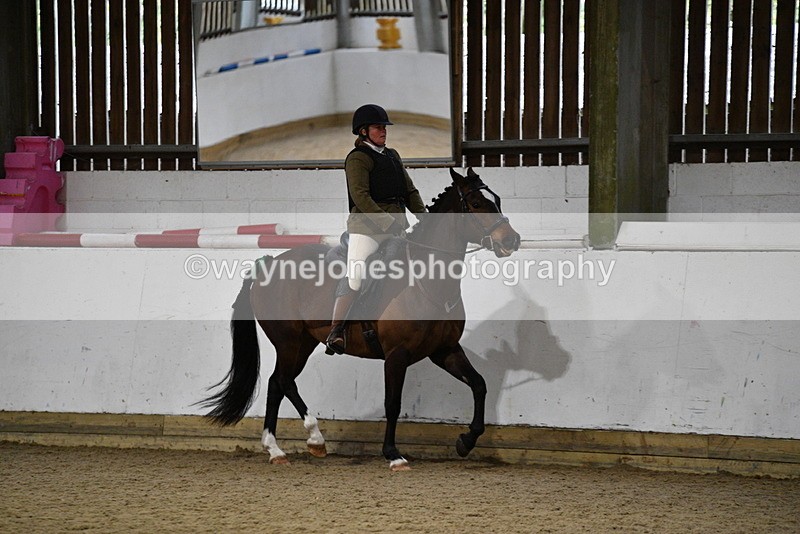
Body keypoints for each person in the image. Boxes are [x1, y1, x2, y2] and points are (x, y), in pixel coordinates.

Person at [325, 104, 427, 354]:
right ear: (363, 132)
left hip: (396, 226)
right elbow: (360, 196)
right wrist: (386, 222)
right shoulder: (357, 158)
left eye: (384, 127)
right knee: (356, 274)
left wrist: (425, 217)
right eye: (378, 127)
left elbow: (409, 190)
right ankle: (336, 330)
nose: (383, 131)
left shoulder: (392, 155)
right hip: (367, 229)